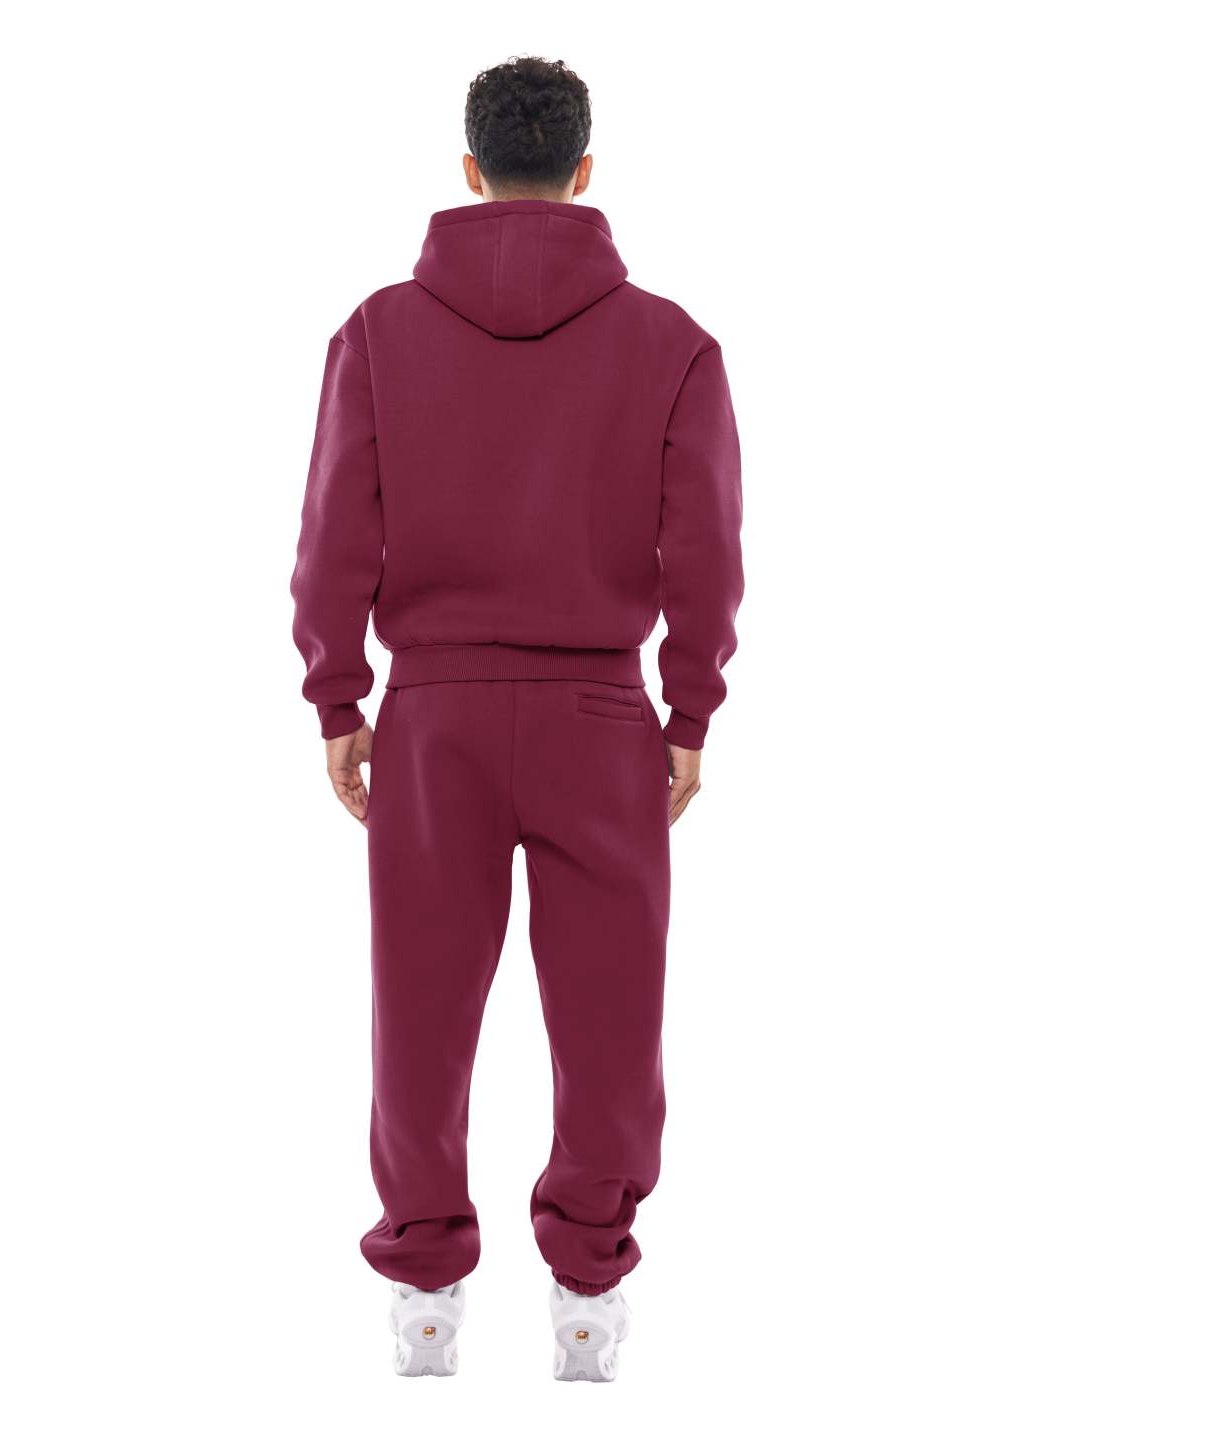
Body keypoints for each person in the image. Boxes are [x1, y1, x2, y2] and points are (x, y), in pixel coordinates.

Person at [291, 55, 742, 1382]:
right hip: (601, 712)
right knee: (612, 1008)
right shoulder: (672, 343)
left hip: (431, 711)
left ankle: (425, 1293)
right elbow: (705, 545)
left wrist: (338, 693)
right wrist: (689, 709)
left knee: (418, 1007)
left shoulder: (377, 332)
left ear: (470, 169)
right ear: (584, 172)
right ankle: (587, 1293)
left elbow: (333, 531)